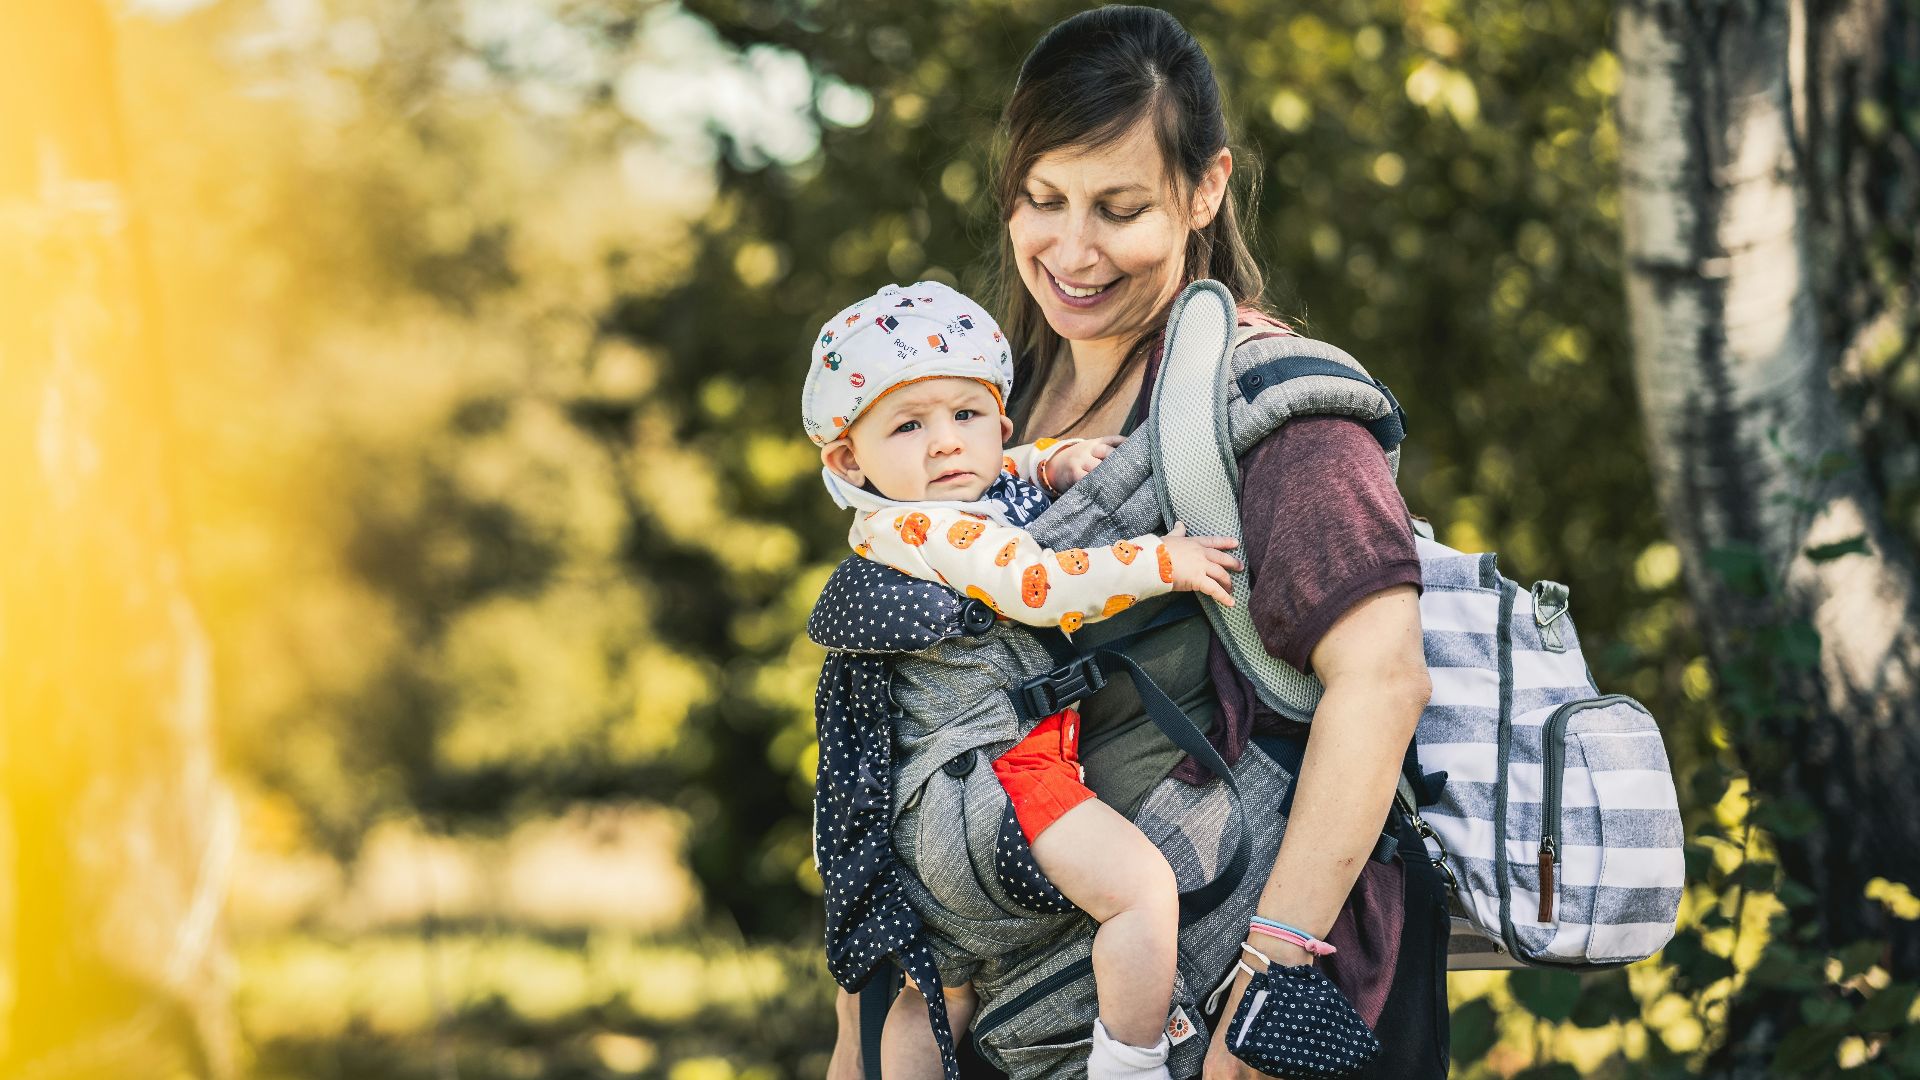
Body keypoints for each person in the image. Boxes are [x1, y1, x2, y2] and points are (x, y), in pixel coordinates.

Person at [827, 6, 1446, 1079]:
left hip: (1229, 1015)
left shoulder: (1269, 403)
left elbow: (1384, 683)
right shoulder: (983, 400)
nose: (1072, 252)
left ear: (1206, 189)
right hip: (1011, 1009)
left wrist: (1273, 984)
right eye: (1042, 200)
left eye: (1119, 209)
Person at [804, 278, 1246, 1078]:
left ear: (998, 424)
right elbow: (1035, 586)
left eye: (966, 415)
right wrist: (1161, 562)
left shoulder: (908, 514)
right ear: (848, 459)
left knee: (939, 991)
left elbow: (995, 472)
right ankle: (1132, 1063)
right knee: (1143, 893)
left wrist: (1050, 463)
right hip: (1003, 783)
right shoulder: (929, 525)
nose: (946, 443)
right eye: (908, 425)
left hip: (927, 814)